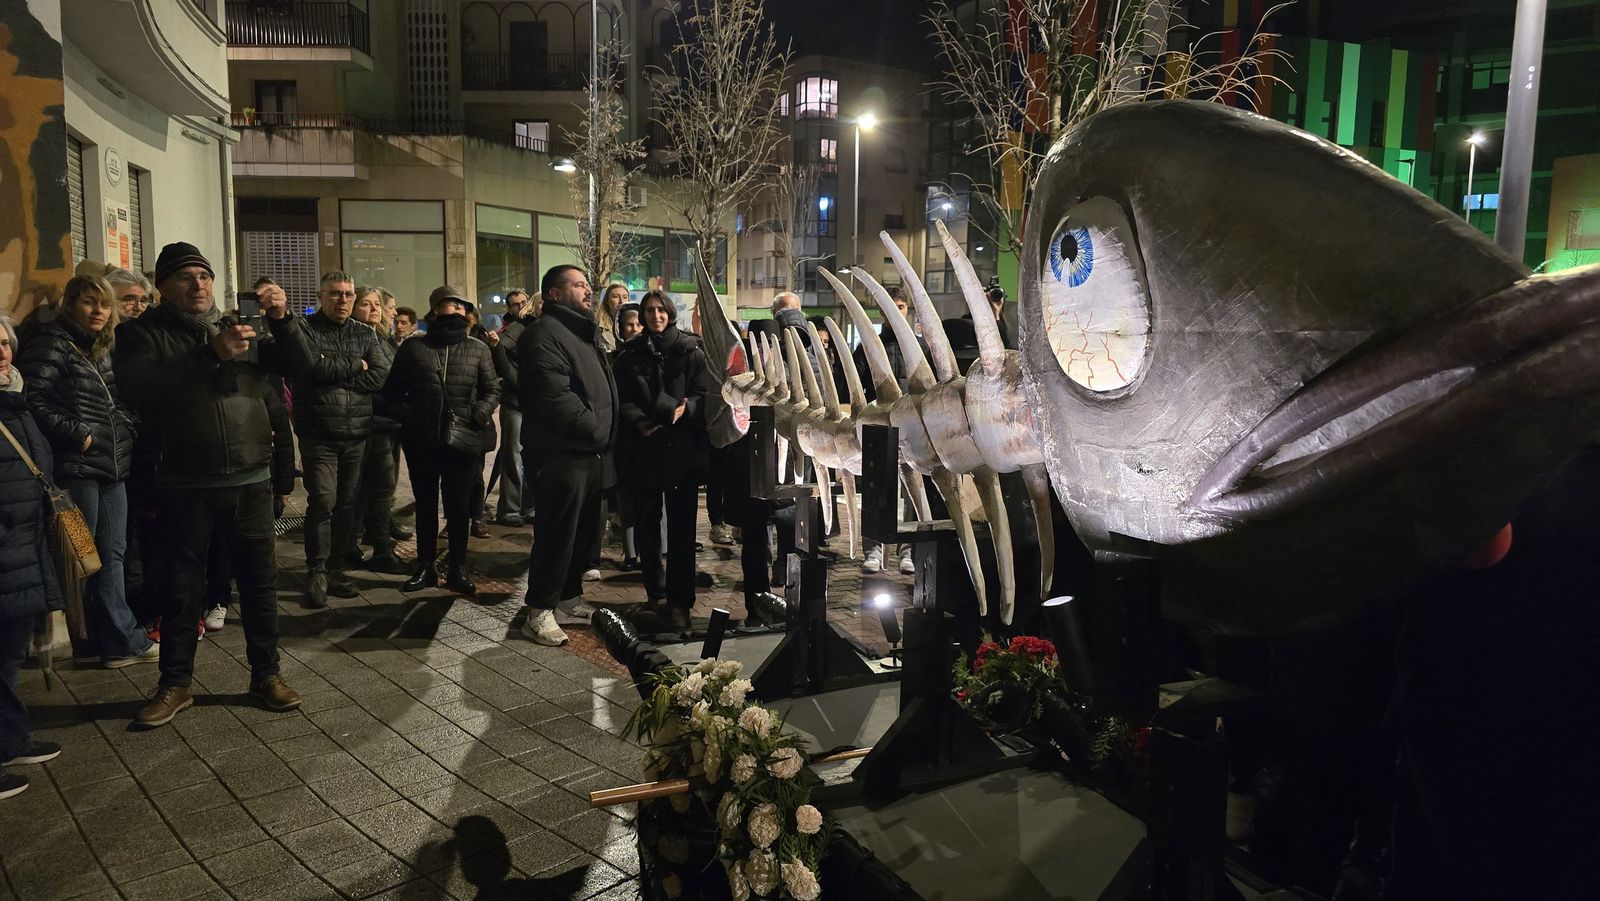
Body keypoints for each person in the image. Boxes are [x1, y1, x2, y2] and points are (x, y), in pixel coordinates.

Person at [115, 242, 306, 728]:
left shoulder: (239, 329)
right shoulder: (141, 334)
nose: (198, 284)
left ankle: (267, 675)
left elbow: (296, 373)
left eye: (205, 275)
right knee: (181, 589)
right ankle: (175, 684)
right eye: (185, 277)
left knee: (260, 586)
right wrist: (208, 355)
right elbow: (141, 391)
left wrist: (283, 320)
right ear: (161, 287)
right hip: (185, 482)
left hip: (249, 480)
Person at [15, 275, 154, 668]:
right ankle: (117, 639)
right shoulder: (52, 343)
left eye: (105, 304)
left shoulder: (95, 347)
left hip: (109, 468)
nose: (99, 311)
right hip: (77, 471)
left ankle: (99, 642)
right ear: (71, 304)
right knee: (85, 556)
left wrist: (124, 427)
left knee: (108, 554)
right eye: (90, 303)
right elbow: (33, 399)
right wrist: (80, 435)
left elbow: (114, 400)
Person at [517, 265, 617, 646]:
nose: (588, 291)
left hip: (589, 453)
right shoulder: (544, 336)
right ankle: (539, 611)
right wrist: (596, 428)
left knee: (580, 534)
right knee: (556, 535)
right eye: (578, 285)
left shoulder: (581, 333)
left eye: (587, 285)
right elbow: (555, 398)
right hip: (560, 456)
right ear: (555, 295)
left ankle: (568, 601)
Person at [278, 271, 388, 607]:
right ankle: (318, 570)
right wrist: (357, 366)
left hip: (357, 434)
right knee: (322, 501)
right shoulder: (307, 331)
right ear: (321, 296)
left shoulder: (365, 332)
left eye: (348, 294)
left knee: (346, 505)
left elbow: (381, 376)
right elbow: (311, 372)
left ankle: (336, 568)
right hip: (319, 434)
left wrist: (334, 374)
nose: (343, 300)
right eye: (336, 294)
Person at [381, 287, 500, 595]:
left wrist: (480, 412)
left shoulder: (478, 348)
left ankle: (457, 568)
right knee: (426, 505)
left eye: (459, 312)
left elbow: (491, 389)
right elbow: (391, 394)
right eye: (447, 312)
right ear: (433, 314)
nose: (453, 319)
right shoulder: (413, 348)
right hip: (422, 440)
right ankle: (425, 567)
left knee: (459, 507)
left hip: (464, 440)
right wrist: (412, 415)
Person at [614, 291, 714, 630]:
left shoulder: (690, 350)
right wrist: (639, 421)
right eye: (649, 310)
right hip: (644, 449)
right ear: (641, 316)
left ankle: (680, 601)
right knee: (646, 527)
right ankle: (654, 591)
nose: (655, 315)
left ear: (670, 313)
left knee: (683, 531)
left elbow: (704, 391)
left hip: (681, 450)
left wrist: (689, 409)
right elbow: (622, 397)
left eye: (660, 309)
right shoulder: (630, 354)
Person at [0, 317, 66, 800]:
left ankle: (11, 740)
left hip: (21, 548)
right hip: (7, 548)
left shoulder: (14, 398)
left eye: (4, 343)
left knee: (6, 654)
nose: (1, 353)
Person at [855, 284, 927, 576]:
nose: (896, 312)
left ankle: (908, 549)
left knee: (913, 493)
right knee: (877, 490)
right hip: (878, 431)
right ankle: (873, 550)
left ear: (907, 310)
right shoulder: (868, 346)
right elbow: (855, 388)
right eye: (890, 307)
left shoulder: (919, 346)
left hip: (913, 430)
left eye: (901, 307)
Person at [347, 287, 407, 574]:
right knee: (360, 489)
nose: (374, 309)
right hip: (365, 424)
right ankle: (359, 545)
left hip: (385, 423)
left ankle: (379, 544)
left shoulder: (382, 340)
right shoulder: (353, 338)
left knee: (380, 488)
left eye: (377, 304)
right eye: (366, 304)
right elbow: (371, 381)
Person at [490, 289, 537, 526]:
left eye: (523, 302)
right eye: (515, 303)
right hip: (517, 402)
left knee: (530, 455)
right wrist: (515, 380)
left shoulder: (538, 328)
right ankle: (509, 508)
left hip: (534, 404)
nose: (520, 306)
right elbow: (500, 354)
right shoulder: (518, 328)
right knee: (513, 456)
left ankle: (528, 506)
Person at [597, 283, 629, 352]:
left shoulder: (638, 325)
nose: (621, 301)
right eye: (616, 296)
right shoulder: (598, 329)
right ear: (607, 302)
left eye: (625, 297)